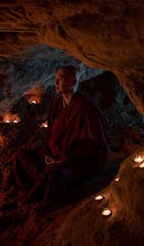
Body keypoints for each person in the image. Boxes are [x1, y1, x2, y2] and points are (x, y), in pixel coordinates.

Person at [14, 65, 108, 204]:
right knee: (21, 155)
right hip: (53, 155)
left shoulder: (85, 110)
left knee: (53, 173)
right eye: (56, 78)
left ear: (73, 82)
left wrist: (62, 161)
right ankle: (38, 184)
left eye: (61, 79)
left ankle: (33, 194)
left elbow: (87, 149)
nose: (56, 83)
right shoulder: (58, 104)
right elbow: (50, 131)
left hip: (75, 163)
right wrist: (46, 152)